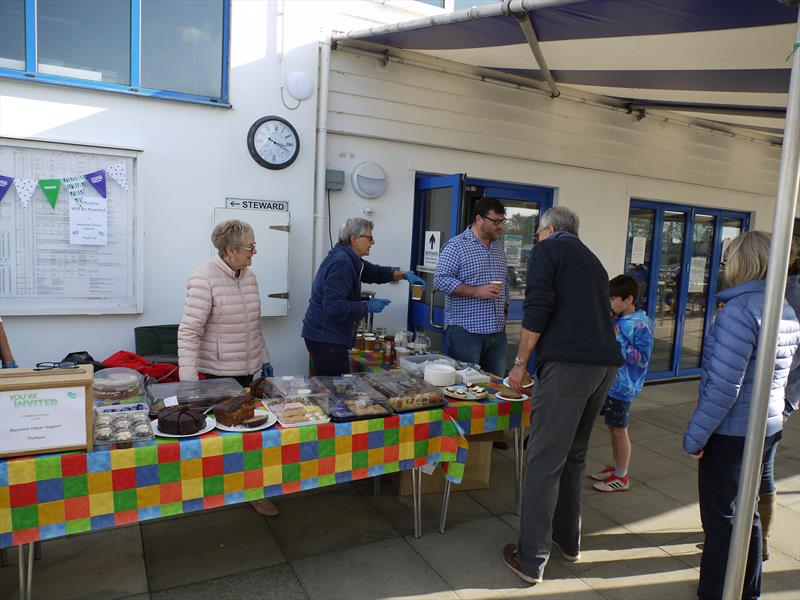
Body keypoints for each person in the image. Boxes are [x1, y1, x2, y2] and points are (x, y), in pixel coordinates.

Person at [501, 206, 622, 585]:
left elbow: (537, 309)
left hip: (570, 367)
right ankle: (569, 542)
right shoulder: (593, 260)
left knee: (542, 460)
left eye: (537, 232)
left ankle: (530, 559)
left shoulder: (547, 250)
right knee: (574, 456)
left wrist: (520, 364)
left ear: (549, 229)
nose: (536, 238)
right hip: (603, 366)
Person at [683, 231, 799, 600]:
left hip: (732, 434)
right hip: (766, 426)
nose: (725, 265)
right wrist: (783, 409)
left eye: (728, 257)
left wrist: (696, 436)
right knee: (745, 516)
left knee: (722, 524)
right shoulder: (784, 307)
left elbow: (723, 388)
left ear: (742, 263)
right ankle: (747, 591)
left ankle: (718, 592)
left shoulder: (739, 311)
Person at [177, 219, 278, 517]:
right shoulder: (203, 279)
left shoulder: (249, 277)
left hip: (247, 369)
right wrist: (188, 382)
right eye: (250, 247)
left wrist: (264, 358)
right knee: (224, 437)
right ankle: (222, 491)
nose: (255, 252)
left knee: (249, 434)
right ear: (231, 250)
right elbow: (188, 332)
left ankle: (249, 490)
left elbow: (253, 326)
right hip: (218, 375)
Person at [302, 217, 424, 376]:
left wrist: (403, 275)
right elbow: (333, 306)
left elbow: (373, 272)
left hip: (325, 335)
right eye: (370, 237)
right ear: (354, 240)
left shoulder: (349, 258)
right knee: (335, 389)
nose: (373, 242)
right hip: (327, 338)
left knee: (334, 387)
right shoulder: (342, 263)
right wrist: (366, 307)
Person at [757, 235, 800, 560]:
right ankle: (755, 535)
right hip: (782, 392)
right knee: (759, 464)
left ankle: (758, 539)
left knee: (760, 465)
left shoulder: (792, 290)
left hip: (778, 392)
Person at [590, 274, 655, 492]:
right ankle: (617, 467)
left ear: (628, 299)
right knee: (612, 426)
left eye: (613, 299)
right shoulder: (620, 320)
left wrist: (618, 340)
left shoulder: (640, 325)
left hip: (623, 387)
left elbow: (643, 359)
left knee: (619, 429)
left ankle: (622, 476)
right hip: (612, 383)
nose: (609, 303)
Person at [433, 197, 509, 377]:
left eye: (502, 221)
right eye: (495, 221)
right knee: (466, 386)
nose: (500, 226)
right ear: (479, 219)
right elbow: (440, 280)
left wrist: (505, 306)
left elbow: (504, 281)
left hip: (497, 333)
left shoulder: (498, 248)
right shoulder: (456, 246)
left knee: (494, 386)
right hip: (466, 333)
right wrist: (476, 291)